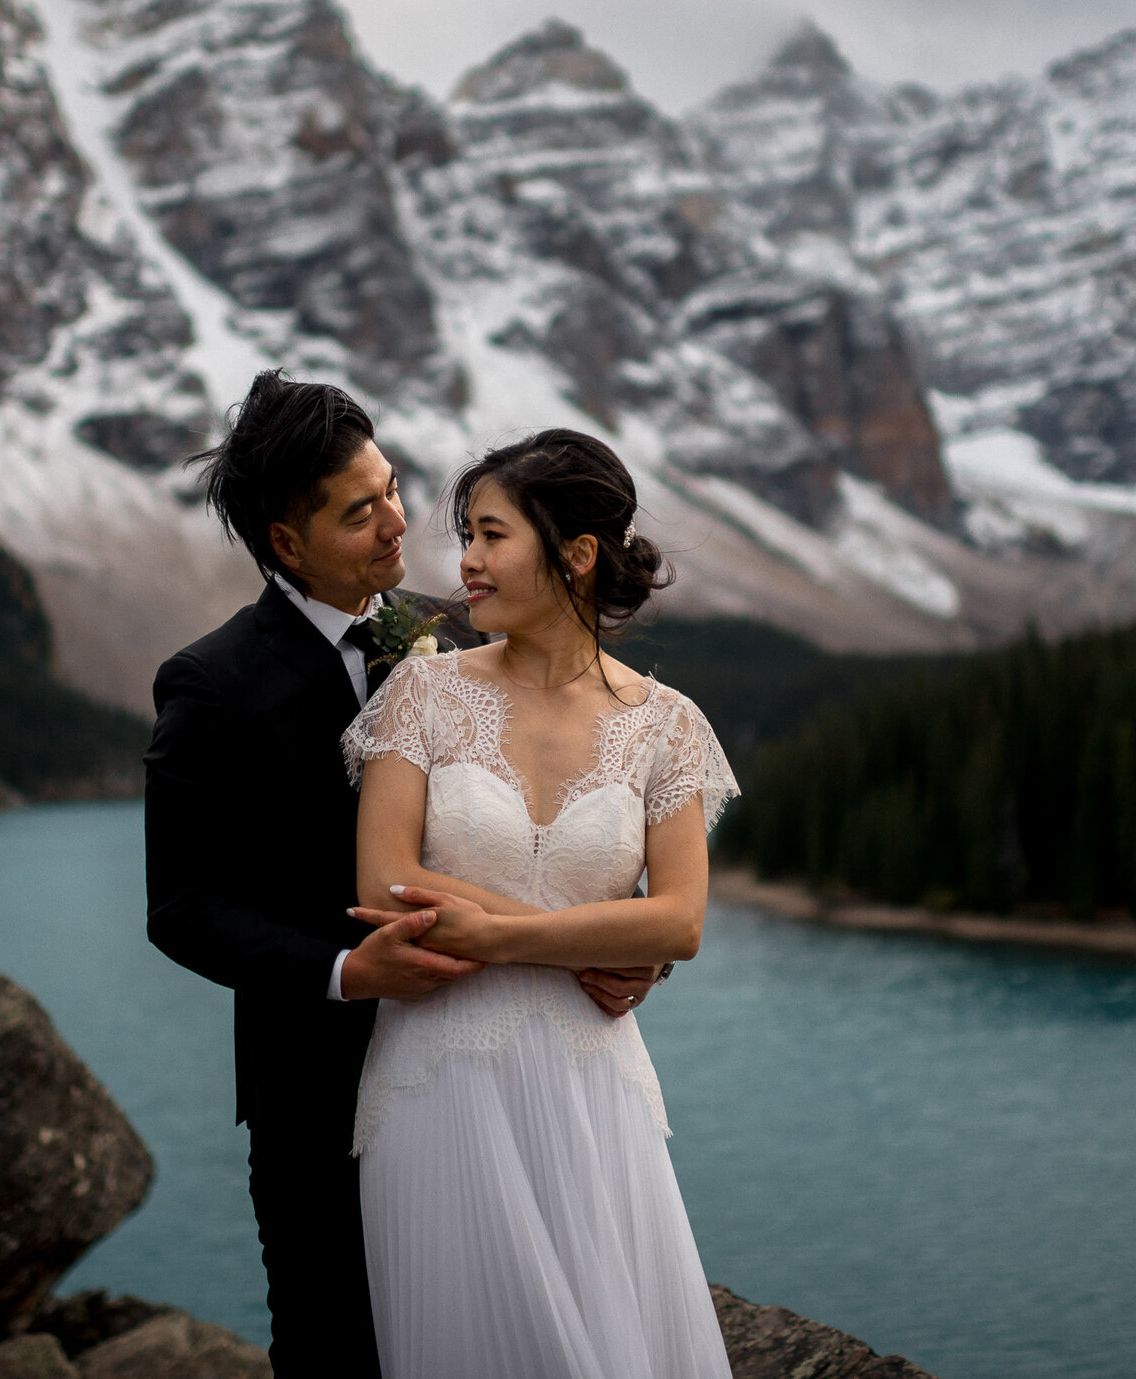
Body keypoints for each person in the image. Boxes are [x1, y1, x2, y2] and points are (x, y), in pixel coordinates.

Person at [143, 373, 665, 1378]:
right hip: (320, 1095)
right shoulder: (212, 684)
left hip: (501, 1069)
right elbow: (182, 908)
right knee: (340, 1345)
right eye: (358, 511)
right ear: (285, 542)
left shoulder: (466, 631)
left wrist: (625, 948)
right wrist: (349, 971)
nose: (396, 523)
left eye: (390, 488)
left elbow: (554, 831)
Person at [344, 427, 738, 1379]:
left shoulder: (666, 724)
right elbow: (385, 882)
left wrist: (500, 933)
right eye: (467, 536)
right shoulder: (421, 693)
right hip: (438, 1082)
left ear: (576, 554)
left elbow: (679, 919)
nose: (465, 563)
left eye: (490, 535)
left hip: (593, 1087)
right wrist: (583, 942)